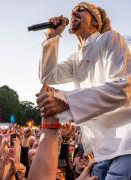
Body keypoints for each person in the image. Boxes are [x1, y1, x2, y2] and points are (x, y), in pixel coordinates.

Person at [37, 1, 131, 180]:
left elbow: (123, 89)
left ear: (96, 21)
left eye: (80, 10)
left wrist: (66, 101)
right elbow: (48, 77)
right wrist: (51, 37)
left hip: (126, 144)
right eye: (71, 13)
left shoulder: (110, 39)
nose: (73, 15)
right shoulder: (76, 58)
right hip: (100, 152)